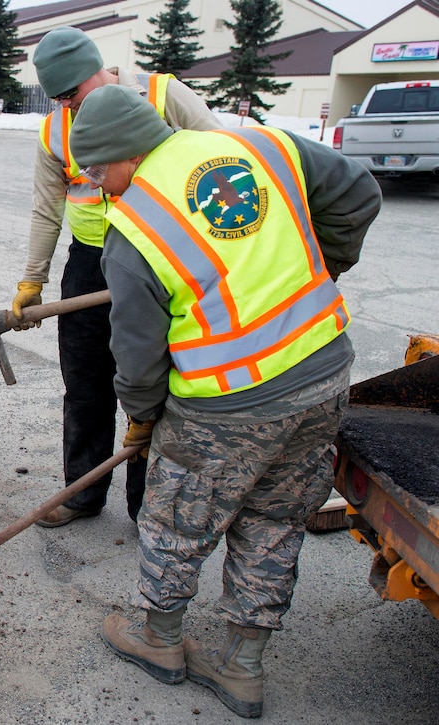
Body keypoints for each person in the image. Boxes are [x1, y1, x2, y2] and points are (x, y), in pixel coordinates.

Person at [67, 84, 381, 718]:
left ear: (128, 153)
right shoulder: (258, 142)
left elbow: (136, 351)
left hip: (228, 405)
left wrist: (144, 415)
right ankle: (243, 667)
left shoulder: (133, 228)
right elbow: (358, 193)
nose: (102, 188)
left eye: (100, 172)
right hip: (321, 374)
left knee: (177, 518)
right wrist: (326, 265)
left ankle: (160, 641)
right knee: (275, 521)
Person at [10, 27, 221, 527]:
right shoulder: (55, 129)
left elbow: (220, 158)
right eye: (59, 99)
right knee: (84, 383)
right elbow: (46, 211)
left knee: (153, 380)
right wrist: (31, 281)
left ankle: (147, 506)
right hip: (89, 262)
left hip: (161, 256)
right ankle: (83, 492)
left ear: (97, 70)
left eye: (73, 94)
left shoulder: (163, 95)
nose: (68, 107)